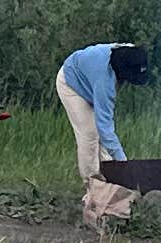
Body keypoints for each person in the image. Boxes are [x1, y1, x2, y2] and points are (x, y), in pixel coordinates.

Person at [53, 39, 151, 195]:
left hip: (90, 79)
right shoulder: (104, 81)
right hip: (72, 85)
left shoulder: (131, 53)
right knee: (90, 135)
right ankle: (93, 188)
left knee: (103, 141)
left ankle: (112, 181)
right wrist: (124, 163)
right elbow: (104, 126)